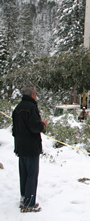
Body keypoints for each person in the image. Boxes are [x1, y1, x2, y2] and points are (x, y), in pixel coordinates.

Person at [12, 84, 47, 213]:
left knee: (24, 174)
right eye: (36, 93)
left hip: (20, 146)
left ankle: (24, 198)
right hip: (31, 147)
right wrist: (42, 125)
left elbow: (14, 129)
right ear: (32, 94)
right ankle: (29, 203)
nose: (36, 95)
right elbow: (34, 127)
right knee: (32, 175)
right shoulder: (31, 107)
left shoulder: (17, 108)